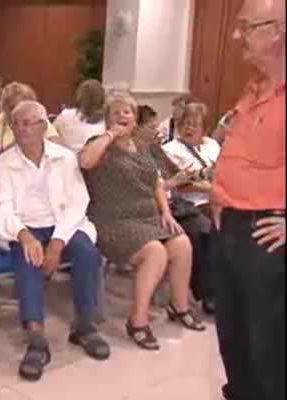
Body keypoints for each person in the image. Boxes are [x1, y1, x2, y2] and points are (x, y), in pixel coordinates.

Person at [0, 100, 110, 382]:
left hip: (63, 223)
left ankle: (84, 326)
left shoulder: (64, 158)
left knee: (87, 252)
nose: (21, 128)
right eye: (16, 123)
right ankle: (36, 339)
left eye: (28, 122)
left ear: (43, 127)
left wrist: (57, 242)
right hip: (23, 226)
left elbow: (78, 202)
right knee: (27, 258)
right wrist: (24, 235)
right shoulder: (4, 165)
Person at [80, 93, 205, 351]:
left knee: (181, 243)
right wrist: (110, 135)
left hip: (147, 217)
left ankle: (179, 305)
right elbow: (85, 161)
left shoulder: (143, 146)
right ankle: (137, 320)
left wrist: (166, 213)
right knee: (155, 251)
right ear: (107, 119)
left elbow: (156, 183)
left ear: (135, 119)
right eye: (116, 112)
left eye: (128, 111)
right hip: (112, 219)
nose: (123, 115)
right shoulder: (99, 142)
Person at [210, 1, 285, 399]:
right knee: (233, 340)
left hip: (267, 234)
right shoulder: (253, 87)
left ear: (277, 31)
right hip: (230, 227)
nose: (236, 36)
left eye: (246, 27)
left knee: (268, 350)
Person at [138, 104, 216, 314]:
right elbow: (165, 185)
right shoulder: (167, 149)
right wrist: (175, 184)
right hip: (177, 204)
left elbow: (176, 177)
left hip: (181, 203)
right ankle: (208, 294)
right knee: (204, 229)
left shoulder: (155, 150)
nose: (157, 132)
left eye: (195, 125)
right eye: (151, 127)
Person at [0, 82, 62, 149]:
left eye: (22, 106)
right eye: (12, 107)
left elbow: (57, 148)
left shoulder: (38, 122)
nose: (17, 111)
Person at [53, 79, 107, 153]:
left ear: (79, 96)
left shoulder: (66, 115)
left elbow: (51, 133)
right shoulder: (107, 121)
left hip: (67, 158)